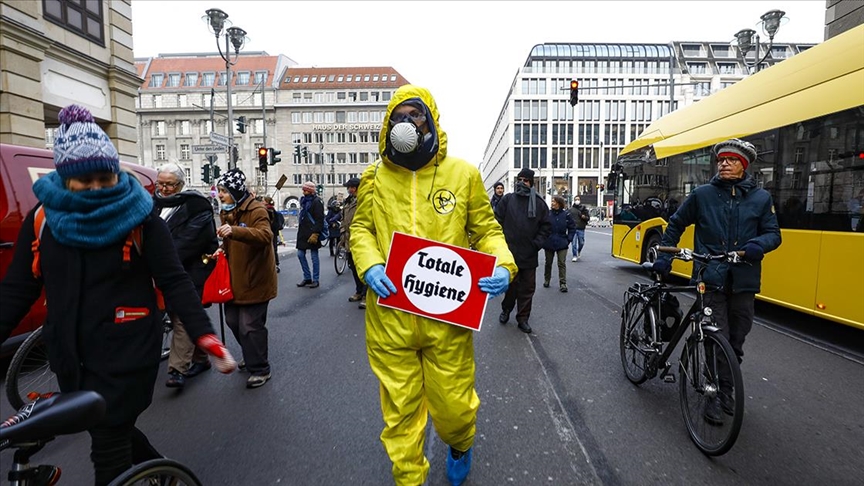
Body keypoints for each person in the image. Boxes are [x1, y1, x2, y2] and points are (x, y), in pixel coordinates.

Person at [0, 105, 236, 485]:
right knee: (105, 428)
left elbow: (174, 280)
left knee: (108, 447)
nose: (97, 188)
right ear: (64, 178)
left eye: (104, 177)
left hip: (127, 355)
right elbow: (17, 289)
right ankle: (160, 471)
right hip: (71, 356)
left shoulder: (140, 218)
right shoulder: (43, 219)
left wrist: (203, 334)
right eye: (84, 180)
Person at [351, 85, 516, 486]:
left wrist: (503, 264)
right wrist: (370, 264)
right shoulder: (375, 177)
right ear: (388, 124)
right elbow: (361, 229)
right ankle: (409, 477)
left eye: (416, 115)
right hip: (390, 318)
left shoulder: (462, 175)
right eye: (399, 117)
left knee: (454, 407)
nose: (407, 123)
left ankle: (460, 442)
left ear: (430, 121)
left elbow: (486, 230)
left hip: (447, 319)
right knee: (400, 412)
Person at [652, 138, 781, 423]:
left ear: (743, 165)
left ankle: (726, 388)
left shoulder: (761, 199)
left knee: (736, 340)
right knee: (715, 336)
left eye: (731, 160)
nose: (724, 164)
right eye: (721, 160)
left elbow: (774, 234)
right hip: (710, 277)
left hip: (744, 279)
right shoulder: (703, 195)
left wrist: (759, 244)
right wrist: (665, 256)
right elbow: (676, 223)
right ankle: (713, 393)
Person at [153, 162, 219, 389]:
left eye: (170, 184)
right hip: (166, 267)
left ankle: (176, 369)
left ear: (181, 184)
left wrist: (156, 259)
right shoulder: (153, 203)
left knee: (182, 315)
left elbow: (188, 241)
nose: (164, 189)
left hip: (191, 268)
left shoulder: (197, 206)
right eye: (161, 184)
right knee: (177, 314)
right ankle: (201, 358)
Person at [216, 168, 277, 388]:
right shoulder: (227, 211)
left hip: (255, 279)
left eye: (224, 191)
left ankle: (260, 369)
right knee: (233, 321)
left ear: (235, 191)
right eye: (219, 190)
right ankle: (252, 354)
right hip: (234, 280)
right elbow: (231, 242)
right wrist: (222, 250)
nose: (220, 195)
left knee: (249, 325)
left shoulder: (257, 209)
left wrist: (235, 231)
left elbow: (265, 235)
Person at [494, 167, 552, 334]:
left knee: (527, 289)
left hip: (529, 254)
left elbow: (546, 227)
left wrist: (536, 244)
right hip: (509, 254)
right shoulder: (507, 200)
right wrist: (501, 244)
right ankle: (506, 310)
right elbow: (496, 221)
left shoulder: (539, 203)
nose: (522, 183)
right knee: (511, 288)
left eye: (525, 180)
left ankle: (523, 318)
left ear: (531, 183)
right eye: (519, 180)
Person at [341, 177, 367, 310]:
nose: (349, 190)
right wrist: (342, 234)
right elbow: (343, 219)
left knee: (363, 267)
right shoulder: (348, 201)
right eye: (348, 188)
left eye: (351, 187)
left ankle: (366, 295)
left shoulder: (363, 200)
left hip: (360, 239)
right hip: (348, 239)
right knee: (353, 267)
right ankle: (359, 291)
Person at [542, 195, 576, 293]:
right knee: (548, 263)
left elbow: (572, 227)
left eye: (554, 201)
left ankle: (563, 283)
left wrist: (568, 239)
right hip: (549, 242)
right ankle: (547, 280)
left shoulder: (566, 215)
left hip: (562, 242)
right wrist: (544, 239)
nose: (552, 203)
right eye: (552, 201)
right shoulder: (548, 214)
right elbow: (542, 227)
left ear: (559, 203)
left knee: (561, 263)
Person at [296, 181, 325, 288]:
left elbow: (319, 219)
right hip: (303, 232)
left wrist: (316, 233)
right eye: (303, 189)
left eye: (305, 190)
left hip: (312, 232)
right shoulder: (303, 201)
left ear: (310, 191)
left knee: (314, 257)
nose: (303, 191)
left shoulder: (317, 202)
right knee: (300, 254)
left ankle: (315, 279)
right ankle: (307, 277)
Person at [263, 196, 284, 273]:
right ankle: (276, 264)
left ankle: (271, 265)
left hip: (268, 231)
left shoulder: (267, 211)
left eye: (263, 201)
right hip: (274, 233)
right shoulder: (273, 210)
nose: (262, 202)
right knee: (274, 249)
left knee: (268, 249)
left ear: (266, 202)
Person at [569, 196, 589, 261]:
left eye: (578, 199)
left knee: (581, 242)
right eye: (576, 199)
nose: (577, 200)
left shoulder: (583, 209)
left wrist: (584, 217)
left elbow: (588, 218)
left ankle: (579, 251)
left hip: (581, 228)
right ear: (574, 200)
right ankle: (574, 255)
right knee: (573, 243)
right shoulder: (571, 210)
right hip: (573, 228)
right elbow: (568, 219)